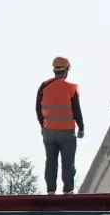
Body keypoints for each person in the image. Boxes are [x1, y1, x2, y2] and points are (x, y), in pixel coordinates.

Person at [36, 56, 84, 195]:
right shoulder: (71, 88)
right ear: (67, 70)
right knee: (68, 164)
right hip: (67, 133)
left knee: (51, 162)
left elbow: (38, 109)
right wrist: (81, 127)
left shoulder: (44, 86)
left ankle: (51, 191)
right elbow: (76, 110)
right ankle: (68, 191)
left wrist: (43, 125)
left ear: (54, 70)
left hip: (49, 133)